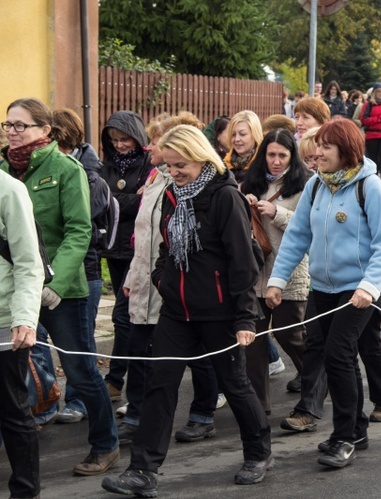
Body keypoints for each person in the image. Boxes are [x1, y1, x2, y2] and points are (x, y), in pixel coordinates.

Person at [101, 125, 272, 496]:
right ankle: (142, 470)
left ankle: (259, 452)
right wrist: (163, 279)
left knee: (235, 384)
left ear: (200, 157)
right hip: (176, 312)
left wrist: (245, 317)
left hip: (221, 312)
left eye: (181, 165)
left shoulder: (225, 197)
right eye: (169, 165)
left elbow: (243, 261)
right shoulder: (172, 194)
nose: (174, 172)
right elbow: (166, 247)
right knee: (160, 385)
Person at [267, 119, 381, 469]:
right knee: (322, 351)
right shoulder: (316, 187)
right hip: (321, 286)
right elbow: (296, 236)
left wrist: (369, 288)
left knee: (339, 355)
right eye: (316, 146)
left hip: (359, 290)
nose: (317, 153)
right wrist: (277, 280)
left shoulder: (370, 187)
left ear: (346, 150)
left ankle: (345, 436)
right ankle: (357, 428)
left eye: (325, 147)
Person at [2, 97, 120, 474]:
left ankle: (105, 444)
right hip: (15, 287)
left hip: (61, 291)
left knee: (80, 369)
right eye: (8, 124)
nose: (12, 131)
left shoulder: (65, 168)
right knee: (11, 372)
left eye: (21, 125)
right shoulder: (5, 171)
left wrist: (57, 281)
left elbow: (79, 230)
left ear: (45, 131)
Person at [116, 113, 223, 446]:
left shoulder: (190, 186)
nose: (149, 147)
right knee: (140, 348)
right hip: (149, 279)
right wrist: (138, 276)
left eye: (156, 143)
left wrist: (164, 279)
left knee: (197, 354)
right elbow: (145, 234)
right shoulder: (154, 180)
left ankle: (203, 414)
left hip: (179, 287)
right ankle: (137, 415)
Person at [241, 129, 311, 413]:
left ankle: (318, 376)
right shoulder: (250, 183)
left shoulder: (304, 186)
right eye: (271, 154)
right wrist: (243, 207)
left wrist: (276, 213)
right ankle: (259, 405)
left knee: (289, 334)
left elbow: (309, 226)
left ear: (292, 157)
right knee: (253, 342)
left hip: (290, 273)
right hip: (255, 273)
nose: (276, 161)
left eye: (283, 155)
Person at [50, 109, 107, 424]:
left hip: (84, 273)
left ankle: (80, 401)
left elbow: (81, 227)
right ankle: (45, 398)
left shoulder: (87, 175)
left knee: (79, 346)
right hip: (49, 274)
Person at [100, 110, 152, 403]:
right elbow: (101, 201)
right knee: (123, 317)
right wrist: (130, 199)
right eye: (115, 140)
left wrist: (116, 200)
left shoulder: (147, 164)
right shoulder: (106, 165)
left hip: (137, 250)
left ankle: (119, 378)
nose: (120, 145)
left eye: (125, 139)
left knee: (125, 316)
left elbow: (143, 205)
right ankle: (121, 377)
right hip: (114, 248)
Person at [0, 167, 45, 499]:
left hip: (4, 321)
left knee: (13, 411)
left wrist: (25, 319)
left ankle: (26, 492)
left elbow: (30, 262)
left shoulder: (9, 191)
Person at [224, 110, 264, 185]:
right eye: (233, 134)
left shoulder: (264, 164)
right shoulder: (223, 166)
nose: (237, 139)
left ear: (255, 134)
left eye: (242, 134)